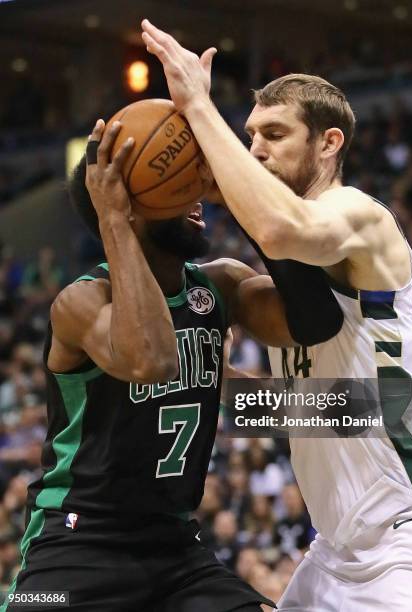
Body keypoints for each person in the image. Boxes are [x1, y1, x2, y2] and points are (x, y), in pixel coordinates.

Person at [141, 20, 412, 611]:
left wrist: (196, 104)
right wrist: (218, 383)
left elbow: (280, 226)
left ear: (329, 144)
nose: (256, 148)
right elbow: (324, 406)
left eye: (274, 133)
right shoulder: (287, 271)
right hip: (337, 547)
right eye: (250, 135)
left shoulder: (354, 213)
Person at [1, 118, 316, 612]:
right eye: (180, 184)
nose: (196, 192)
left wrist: (394, 408)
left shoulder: (220, 286)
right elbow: (150, 359)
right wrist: (114, 221)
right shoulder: (81, 302)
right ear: (131, 203)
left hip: (175, 549)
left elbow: (310, 320)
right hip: (75, 547)